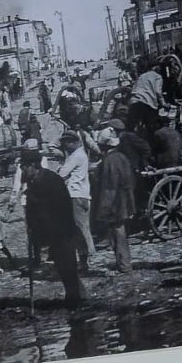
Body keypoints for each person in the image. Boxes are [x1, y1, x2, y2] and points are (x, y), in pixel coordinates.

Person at [21, 146, 85, 309]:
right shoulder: (33, 181)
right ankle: (75, 297)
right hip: (51, 233)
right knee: (61, 266)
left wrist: (42, 226)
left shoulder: (51, 180)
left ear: (33, 165)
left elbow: (59, 208)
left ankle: (75, 300)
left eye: (24, 166)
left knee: (67, 266)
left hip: (62, 231)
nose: (22, 169)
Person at [96, 128, 136, 273]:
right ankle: (123, 263)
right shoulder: (122, 157)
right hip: (124, 200)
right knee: (119, 233)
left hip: (115, 203)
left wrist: (105, 207)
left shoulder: (109, 161)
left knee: (117, 234)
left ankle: (124, 264)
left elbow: (110, 186)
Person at [56, 131, 95, 272]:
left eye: (65, 144)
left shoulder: (76, 156)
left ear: (72, 142)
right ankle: (85, 258)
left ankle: (85, 259)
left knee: (79, 229)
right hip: (83, 194)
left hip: (75, 194)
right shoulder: (81, 154)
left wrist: (60, 168)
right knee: (83, 226)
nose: (64, 147)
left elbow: (62, 173)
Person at [129, 61, 165, 134]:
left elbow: (135, 88)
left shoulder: (142, 76)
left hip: (134, 101)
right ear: (154, 67)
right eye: (158, 66)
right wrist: (163, 103)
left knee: (133, 129)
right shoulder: (158, 76)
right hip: (147, 103)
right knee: (152, 128)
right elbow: (158, 91)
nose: (160, 68)